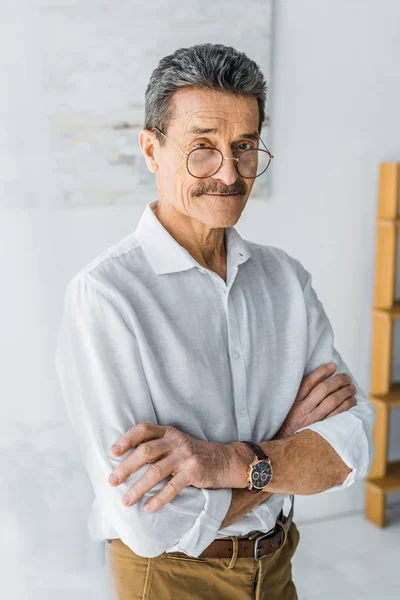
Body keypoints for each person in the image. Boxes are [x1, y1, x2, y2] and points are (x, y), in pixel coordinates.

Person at [55, 43, 375, 600]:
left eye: (244, 146)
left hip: (276, 567)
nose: (228, 172)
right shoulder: (104, 297)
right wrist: (286, 445)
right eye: (202, 147)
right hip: (169, 579)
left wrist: (224, 462)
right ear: (151, 150)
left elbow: (352, 448)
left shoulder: (287, 282)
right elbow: (153, 525)